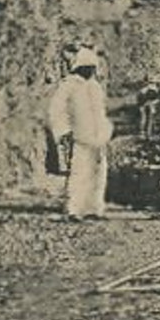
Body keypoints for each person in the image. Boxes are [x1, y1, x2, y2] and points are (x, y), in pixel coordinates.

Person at [48, 48, 113, 220]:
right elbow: (57, 110)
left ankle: (94, 208)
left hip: (98, 137)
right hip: (80, 136)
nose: (91, 71)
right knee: (80, 172)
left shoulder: (95, 87)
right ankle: (74, 209)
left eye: (93, 67)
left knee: (98, 173)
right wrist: (63, 131)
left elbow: (101, 112)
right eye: (88, 67)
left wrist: (105, 131)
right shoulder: (68, 86)